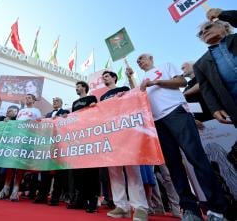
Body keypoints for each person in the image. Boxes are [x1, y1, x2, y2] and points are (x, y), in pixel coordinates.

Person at [128, 54, 226, 221]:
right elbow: (136, 95)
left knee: (197, 159)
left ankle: (216, 209)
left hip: (176, 113)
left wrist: (156, 82)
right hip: (157, 122)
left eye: (142, 58)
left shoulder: (165, 65)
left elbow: (181, 82)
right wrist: (131, 80)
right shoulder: (142, 79)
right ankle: (190, 209)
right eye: (137, 61)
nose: (140, 62)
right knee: (174, 166)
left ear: (151, 58)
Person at [99, 71, 148, 221]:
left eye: (107, 76)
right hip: (110, 133)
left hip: (126, 132)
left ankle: (140, 207)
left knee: (132, 170)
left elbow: (137, 96)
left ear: (114, 78)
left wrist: (124, 96)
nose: (105, 78)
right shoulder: (102, 97)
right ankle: (121, 206)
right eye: (103, 77)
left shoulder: (124, 89)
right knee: (114, 171)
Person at [194, 8, 237, 127]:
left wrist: (223, 14)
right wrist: (215, 108)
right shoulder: (200, 64)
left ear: (225, 27)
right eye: (200, 33)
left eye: (208, 27)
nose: (204, 32)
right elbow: (206, 89)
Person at [67, 81, 99, 213]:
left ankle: (92, 200)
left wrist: (94, 107)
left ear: (84, 88)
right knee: (78, 171)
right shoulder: (74, 103)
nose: (77, 88)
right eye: (76, 87)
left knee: (90, 170)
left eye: (79, 86)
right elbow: (73, 118)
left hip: (90, 136)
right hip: (77, 137)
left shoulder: (92, 98)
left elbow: (97, 112)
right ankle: (80, 200)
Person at [34, 97, 70, 205]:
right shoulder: (48, 115)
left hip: (59, 145)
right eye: (53, 101)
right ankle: (42, 196)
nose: (55, 102)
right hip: (47, 146)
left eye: (57, 101)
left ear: (61, 103)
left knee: (58, 174)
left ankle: (55, 198)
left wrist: (64, 118)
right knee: (45, 172)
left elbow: (68, 124)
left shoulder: (65, 112)